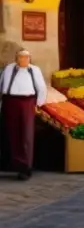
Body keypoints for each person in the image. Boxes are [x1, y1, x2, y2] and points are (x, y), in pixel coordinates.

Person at [0, 50, 47, 180]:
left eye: (27, 57)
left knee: (26, 133)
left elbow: (41, 88)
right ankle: (14, 164)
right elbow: (2, 84)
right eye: (21, 57)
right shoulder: (9, 68)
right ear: (16, 58)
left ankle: (25, 166)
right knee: (12, 133)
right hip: (10, 101)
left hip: (27, 101)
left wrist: (38, 104)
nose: (24, 59)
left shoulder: (34, 70)